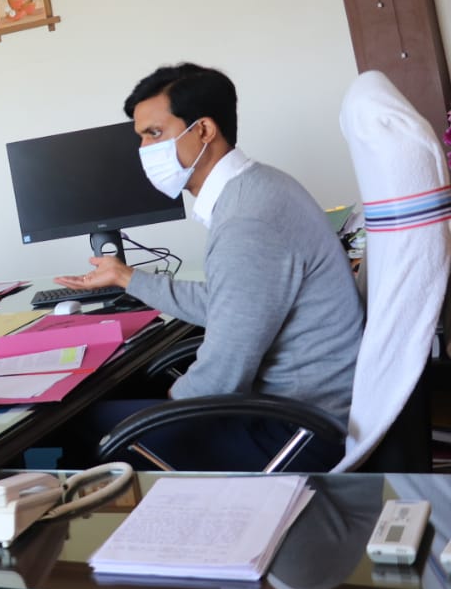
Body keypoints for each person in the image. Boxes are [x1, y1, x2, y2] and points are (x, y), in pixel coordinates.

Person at [54, 63, 363, 470]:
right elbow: (232, 305)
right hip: (298, 411)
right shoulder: (259, 187)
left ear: (203, 130)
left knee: (75, 423)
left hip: (295, 433)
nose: (144, 150)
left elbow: (224, 371)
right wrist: (126, 277)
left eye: (154, 134)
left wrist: (167, 405)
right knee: (123, 396)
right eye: (141, 138)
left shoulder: (247, 221)